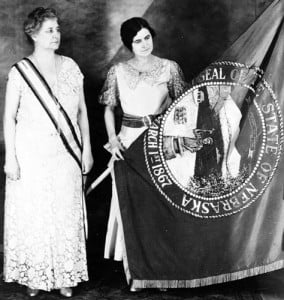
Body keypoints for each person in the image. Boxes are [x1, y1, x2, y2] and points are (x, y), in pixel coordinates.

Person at [3, 7, 93, 298]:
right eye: (49, 30)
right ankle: (36, 276)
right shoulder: (20, 71)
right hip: (31, 153)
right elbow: (8, 118)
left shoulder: (71, 66)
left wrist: (87, 151)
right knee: (36, 214)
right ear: (33, 34)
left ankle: (65, 275)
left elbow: (81, 113)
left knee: (65, 212)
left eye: (57, 29)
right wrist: (10, 158)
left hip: (66, 152)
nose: (56, 35)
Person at [98, 17, 187, 291]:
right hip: (127, 145)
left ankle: (159, 270)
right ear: (128, 44)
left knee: (157, 206)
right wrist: (113, 140)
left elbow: (183, 107)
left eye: (147, 37)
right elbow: (108, 108)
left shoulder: (170, 68)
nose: (144, 44)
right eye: (137, 40)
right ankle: (136, 272)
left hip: (158, 144)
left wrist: (176, 140)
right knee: (130, 204)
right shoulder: (118, 71)